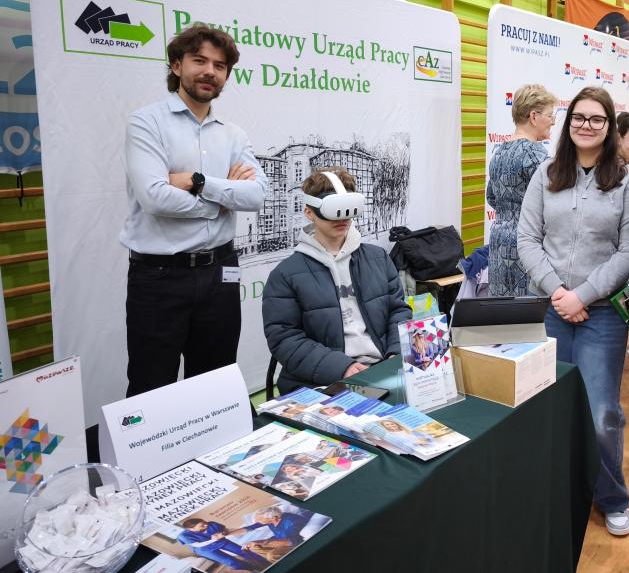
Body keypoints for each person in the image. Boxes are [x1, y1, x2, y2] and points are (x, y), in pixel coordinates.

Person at [517, 86, 629, 537]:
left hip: (602, 316)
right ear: (568, 123)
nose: (586, 125)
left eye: (597, 119)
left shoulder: (627, 179)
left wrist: (583, 296)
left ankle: (611, 498)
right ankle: (558, 488)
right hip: (551, 309)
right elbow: (527, 239)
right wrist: (558, 293)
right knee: (550, 407)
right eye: (579, 117)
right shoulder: (547, 173)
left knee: (601, 413)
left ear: (610, 126)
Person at [121, 23, 267, 397]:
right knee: (152, 386)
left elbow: (255, 196)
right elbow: (154, 197)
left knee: (216, 385)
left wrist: (198, 182)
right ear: (176, 65)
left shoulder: (233, 135)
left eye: (220, 66)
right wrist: (222, 202)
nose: (209, 72)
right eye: (199, 61)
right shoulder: (146, 123)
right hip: (159, 278)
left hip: (221, 272)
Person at [263, 167, 411, 394]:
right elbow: (285, 338)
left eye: (348, 210)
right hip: (322, 382)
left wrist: (396, 354)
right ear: (309, 212)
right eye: (333, 211)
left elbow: (398, 311)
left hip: (383, 369)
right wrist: (342, 368)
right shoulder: (285, 275)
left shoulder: (378, 259)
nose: (342, 219)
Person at [486, 84, 557, 296]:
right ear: (534, 116)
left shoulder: (499, 152)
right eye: (550, 115)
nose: (553, 121)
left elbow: (492, 197)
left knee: (503, 310)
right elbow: (554, 202)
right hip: (527, 247)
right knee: (527, 310)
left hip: (499, 244)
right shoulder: (536, 154)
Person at [176, 518, 269, 570]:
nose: (206, 525)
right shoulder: (183, 535)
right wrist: (213, 539)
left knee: (244, 551)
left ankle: (267, 563)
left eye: (204, 523)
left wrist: (224, 532)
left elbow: (226, 530)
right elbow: (197, 545)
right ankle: (250, 570)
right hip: (204, 549)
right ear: (191, 529)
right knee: (231, 561)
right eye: (202, 525)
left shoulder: (212, 524)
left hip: (221, 541)